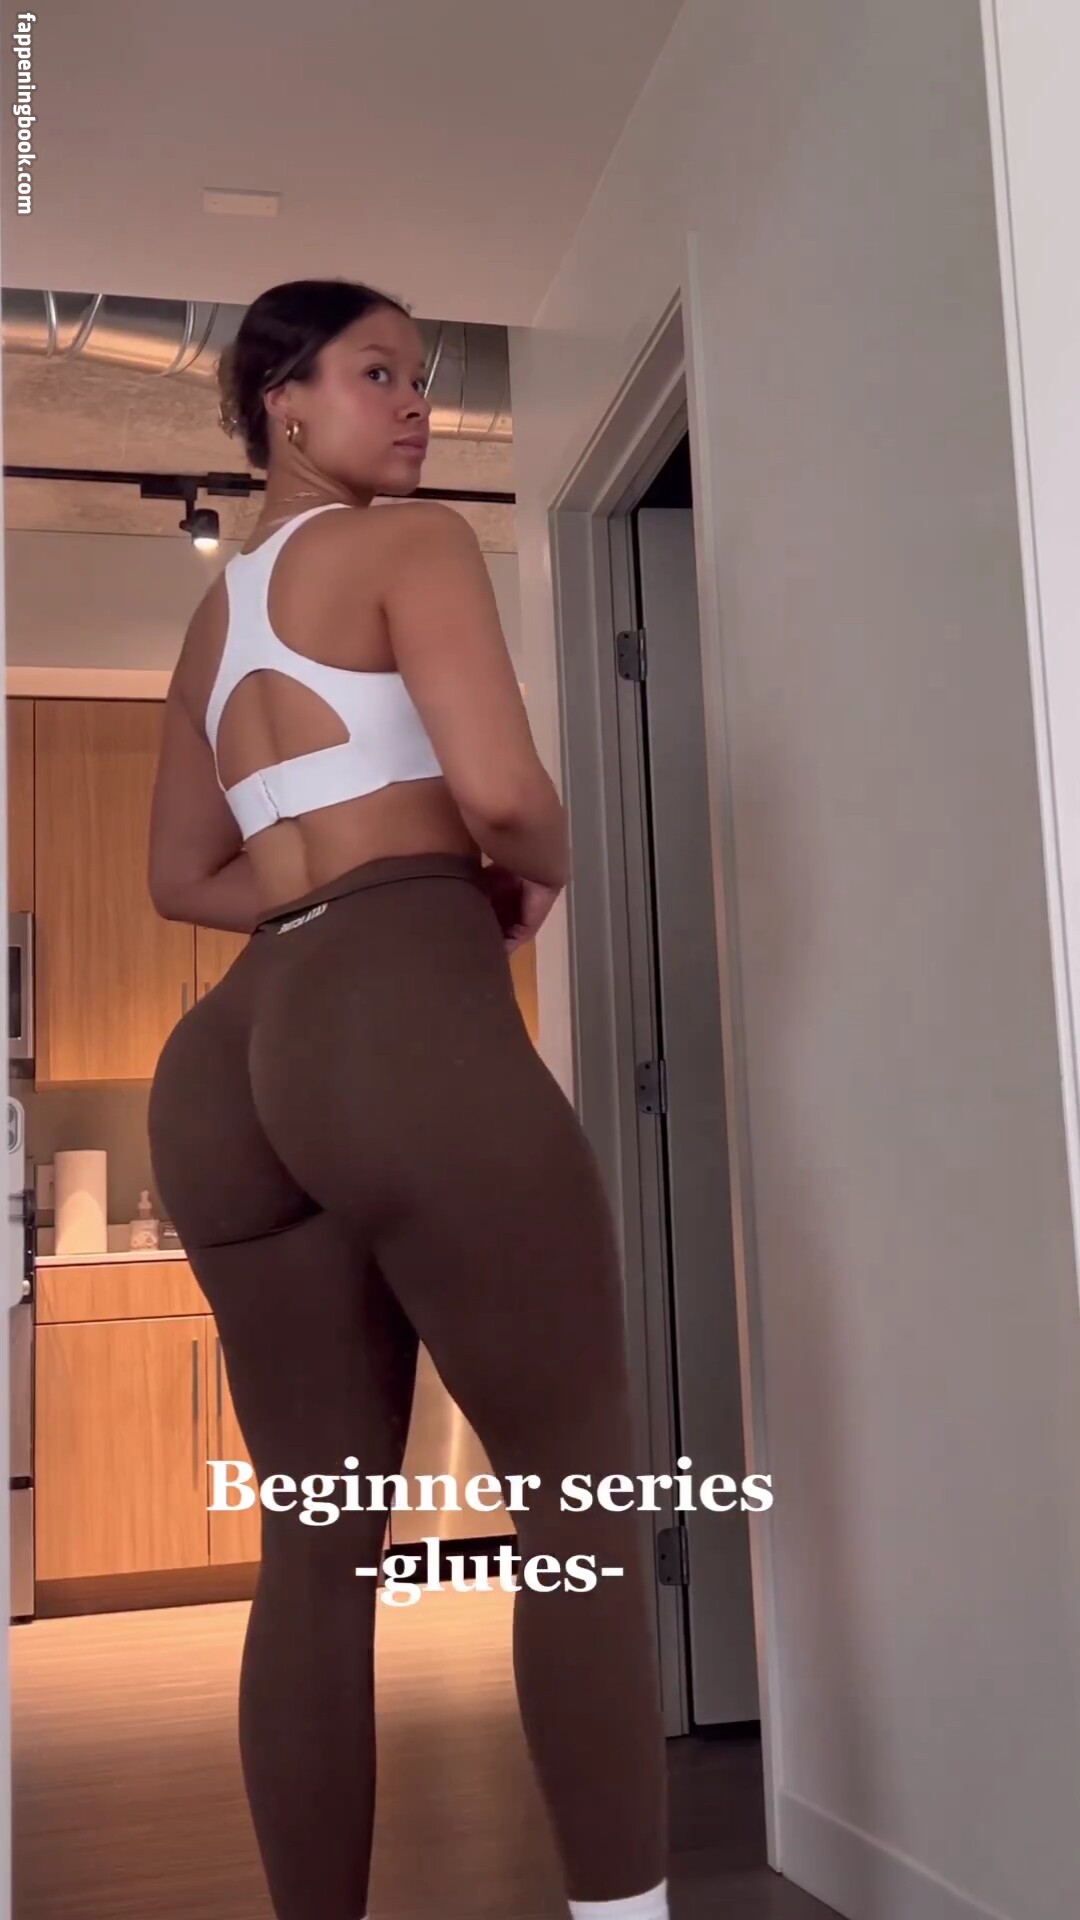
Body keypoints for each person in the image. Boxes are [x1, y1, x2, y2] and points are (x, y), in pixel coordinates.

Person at [146, 278, 670, 1920]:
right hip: (392, 1017)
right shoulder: (413, 543)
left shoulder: (216, 619)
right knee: (580, 1490)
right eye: (379, 374)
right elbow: (505, 790)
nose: (419, 405)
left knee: (317, 1543)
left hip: (235, 1055)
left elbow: (182, 877)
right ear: (283, 402)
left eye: (424, 379)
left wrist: (325, 882)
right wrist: (528, 868)